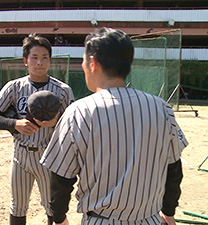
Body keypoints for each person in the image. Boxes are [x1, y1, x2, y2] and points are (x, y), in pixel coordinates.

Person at [40, 27, 188, 225]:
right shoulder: (161, 107)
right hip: (149, 219)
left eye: (83, 60)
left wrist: (58, 218)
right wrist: (168, 212)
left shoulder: (79, 112)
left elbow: (60, 178)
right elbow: (174, 168)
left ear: (93, 63)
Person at [0, 33, 75, 225]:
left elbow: (74, 124)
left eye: (44, 57)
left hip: (49, 156)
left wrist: (56, 122)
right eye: (34, 57)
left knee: (52, 207)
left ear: (50, 61)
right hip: (21, 155)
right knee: (17, 206)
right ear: (25, 61)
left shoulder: (62, 90)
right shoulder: (14, 87)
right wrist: (14, 124)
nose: (40, 63)